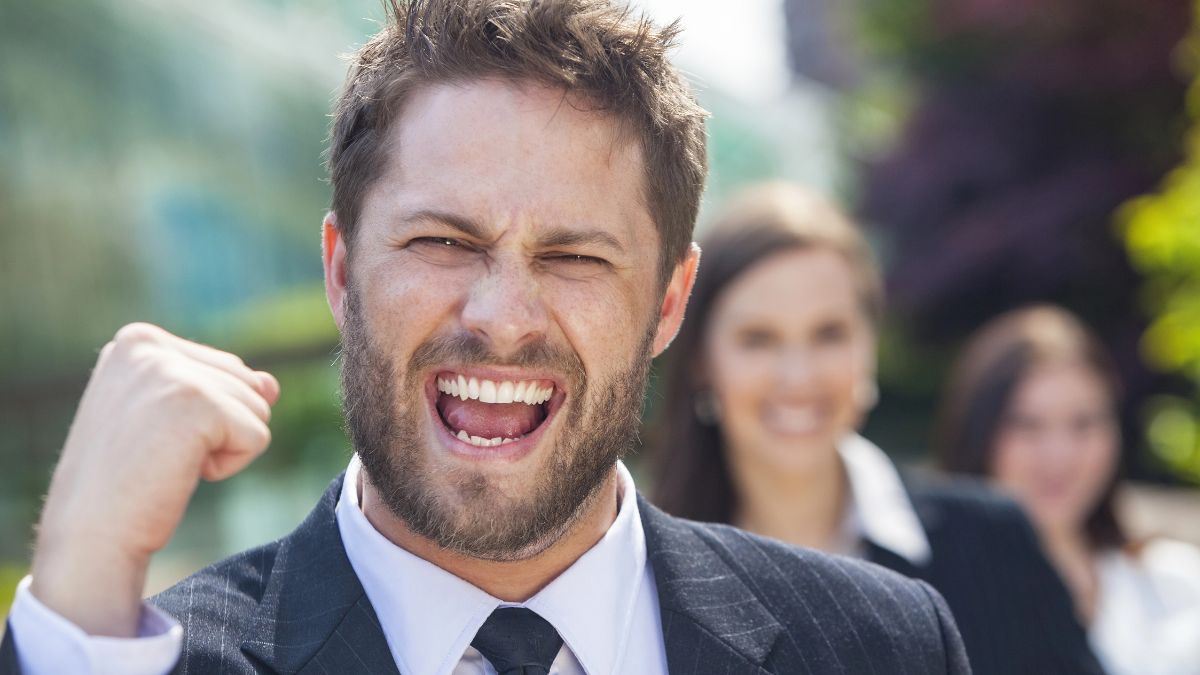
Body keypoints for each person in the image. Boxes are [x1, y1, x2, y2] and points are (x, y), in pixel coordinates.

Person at [0, 2, 971, 674]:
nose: (501, 317)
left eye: (577, 258)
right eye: (442, 241)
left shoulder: (882, 647)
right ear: (341, 272)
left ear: (671, 303)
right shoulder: (135, 658)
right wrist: (77, 590)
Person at [650, 182, 1104, 675]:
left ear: (870, 345)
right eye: (758, 339)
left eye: (830, 334)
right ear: (699, 360)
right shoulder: (642, 578)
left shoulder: (994, 545)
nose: (798, 377)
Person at [935, 304, 1200, 675]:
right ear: (979, 432)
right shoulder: (928, 605)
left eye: (1083, 423)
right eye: (1028, 425)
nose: (1059, 455)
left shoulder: (1179, 588)